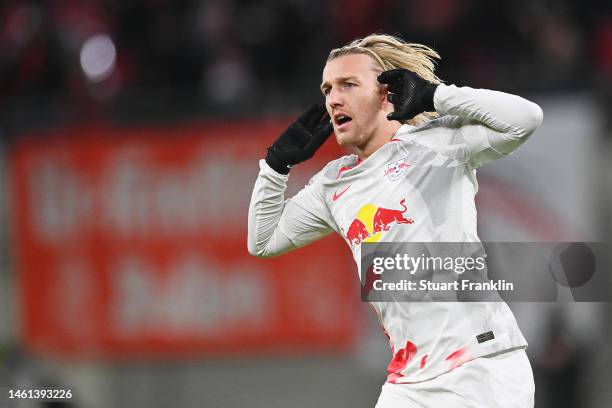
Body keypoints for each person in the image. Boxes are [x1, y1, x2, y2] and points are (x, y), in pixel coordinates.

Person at [247, 33, 543, 407]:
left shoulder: (438, 143)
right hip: (409, 381)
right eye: (327, 89)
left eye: (348, 85)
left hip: (480, 366)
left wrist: (436, 95)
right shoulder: (334, 183)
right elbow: (263, 240)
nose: (333, 98)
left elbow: (526, 119)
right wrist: (276, 167)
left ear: (386, 93)